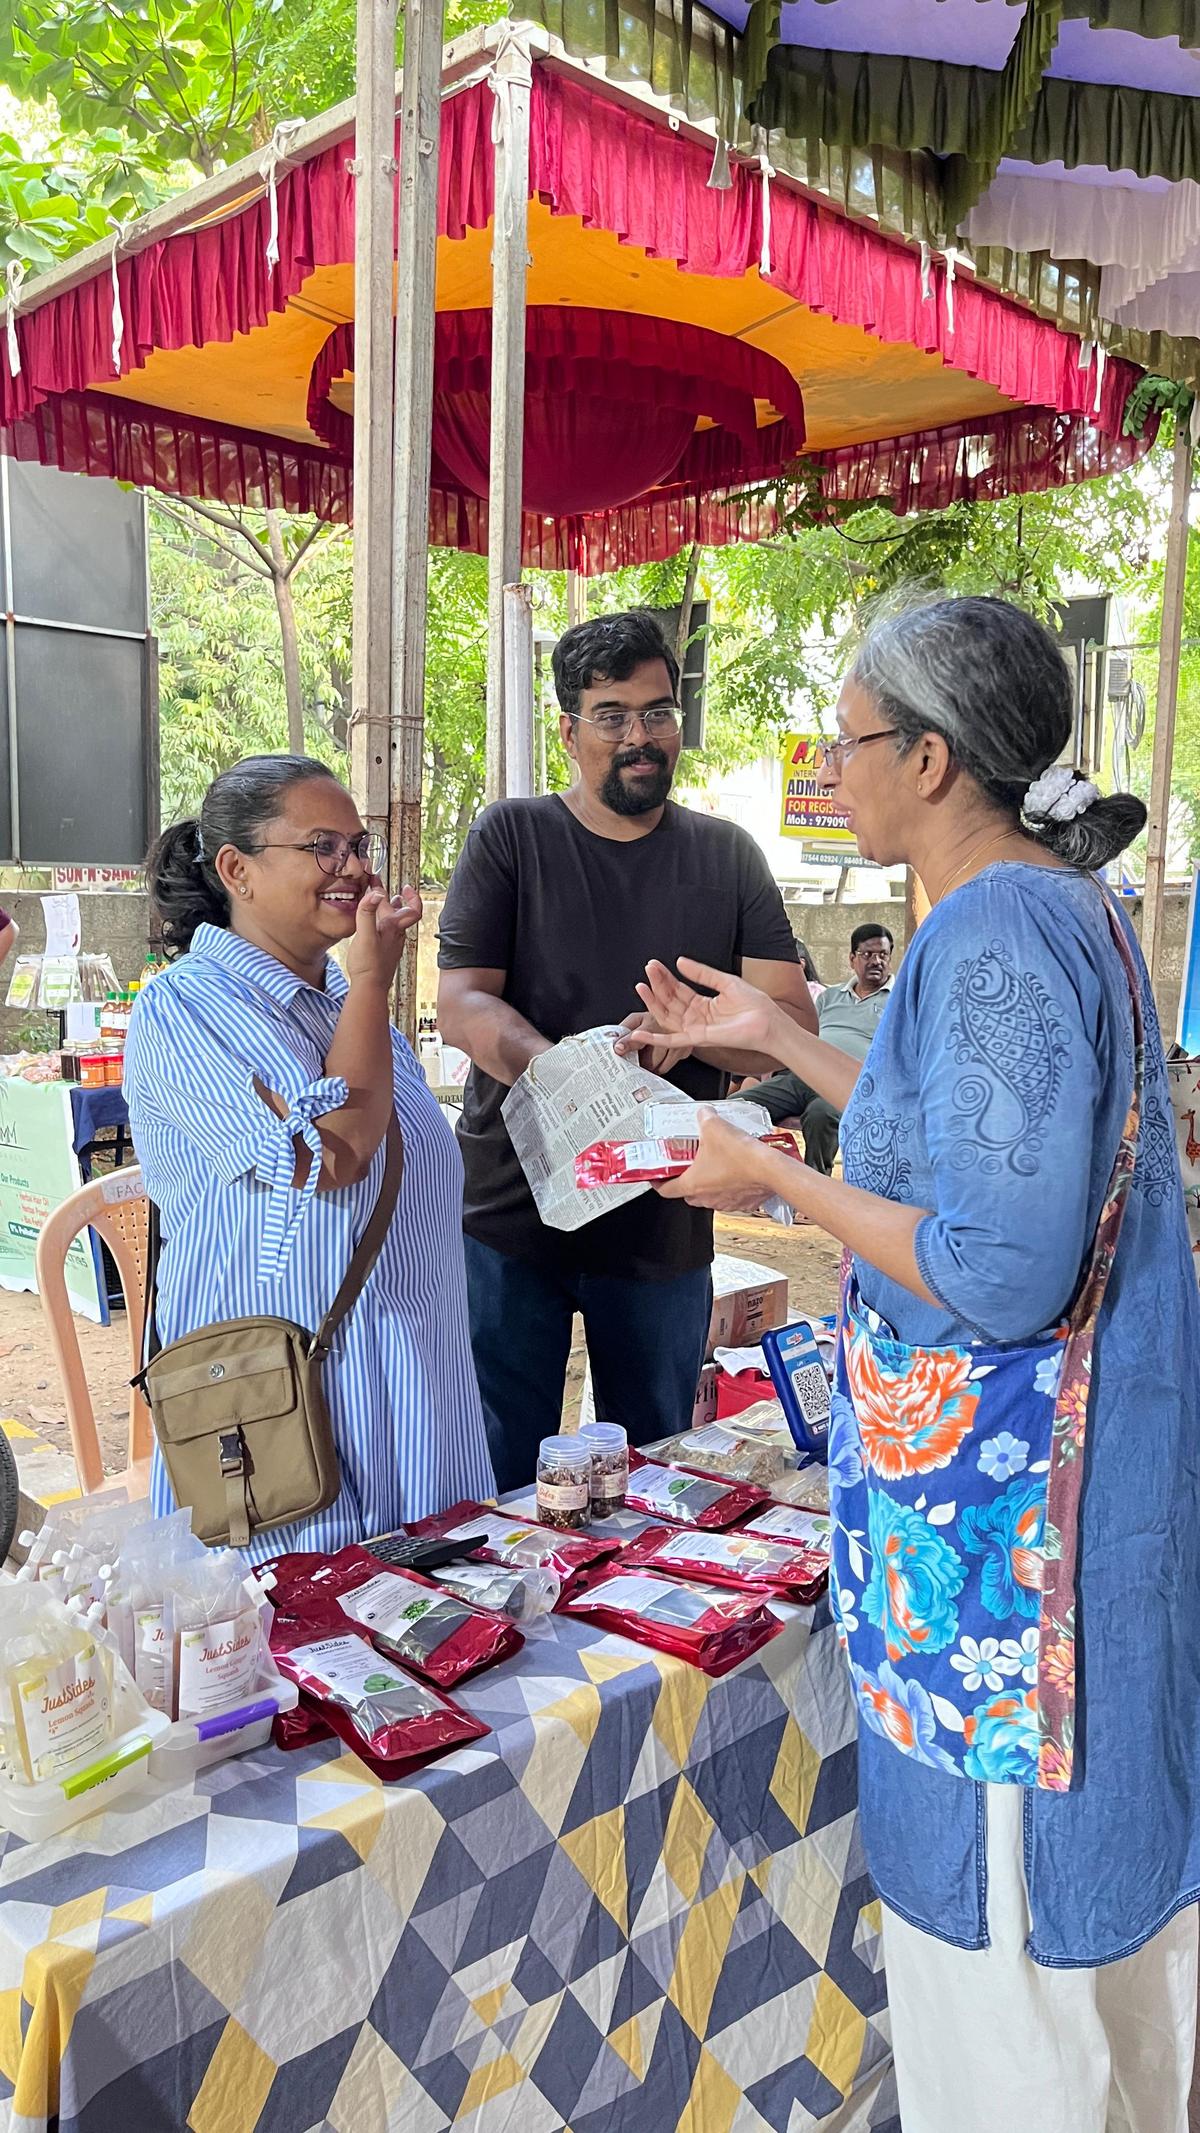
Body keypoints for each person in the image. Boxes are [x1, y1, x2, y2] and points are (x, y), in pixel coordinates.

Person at [635, 595, 1200, 2133]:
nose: (834, 761)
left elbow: (998, 1270)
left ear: (935, 760)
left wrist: (771, 1183)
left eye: (853, 736)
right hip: (1034, 1509)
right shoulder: (1046, 904)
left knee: (1018, 1992)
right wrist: (786, 1039)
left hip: (1018, 1561)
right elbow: (977, 1135)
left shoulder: (996, 928)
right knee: (1088, 1998)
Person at [437, 609, 814, 1492]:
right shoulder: (512, 838)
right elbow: (461, 1004)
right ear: (569, 730)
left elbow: (789, 1017)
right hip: (512, 1206)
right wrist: (580, 1071)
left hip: (663, 1210)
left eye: (658, 712)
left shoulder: (728, 856)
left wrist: (713, 1035)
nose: (640, 737)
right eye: (612, 715)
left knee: (655, 1464)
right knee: (499, 1464)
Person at [124, 755, 494, 1563]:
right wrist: (371, 983)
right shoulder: (182, 1009)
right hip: (291, 1427)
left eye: (360, 845)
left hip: (415, 1405)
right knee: (307, 1663)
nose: (355, 869)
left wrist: (361, 992)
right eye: (324, 847)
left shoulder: (349, 1012)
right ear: (237, 870)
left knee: (436, 1659)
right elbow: (333, 1157)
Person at [730, 922, 893, 1171]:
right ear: (852, 959)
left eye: (883, 954)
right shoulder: (830, 996)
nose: (876, 961)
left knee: (821, 1115)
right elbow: (804, 1037)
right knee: (737, 1107)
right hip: (802, 1076)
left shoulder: (897, 1003)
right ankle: (751, 1178)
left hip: (847, 1084)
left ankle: (813, 1195)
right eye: (867, 954)